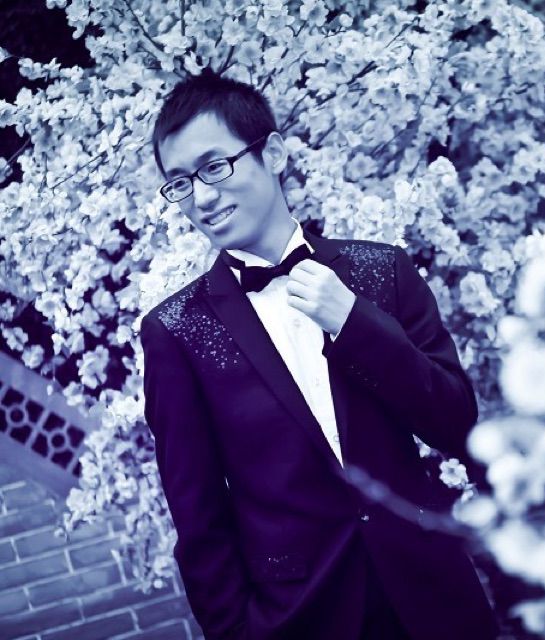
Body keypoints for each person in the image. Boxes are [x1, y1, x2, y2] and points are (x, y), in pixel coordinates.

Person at [140, 69, 497, 640]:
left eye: (214, 166)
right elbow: (198, 519)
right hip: (300, 619)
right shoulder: (176, 331)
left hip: (436, 602)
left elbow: (456, 423)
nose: (201, 197)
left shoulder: (383, 272)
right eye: (180, 183)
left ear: (273, 154)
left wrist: (354, 323)